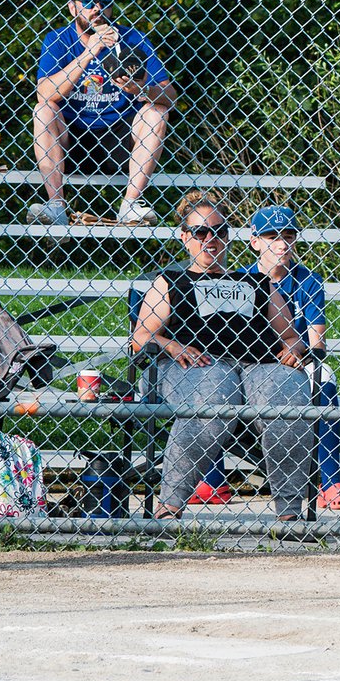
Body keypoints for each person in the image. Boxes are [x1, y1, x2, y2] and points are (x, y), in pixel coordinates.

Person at [128, 197, 313, 520]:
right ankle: (170, 506)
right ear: (184, 237)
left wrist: (292, 350)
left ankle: (290, 513)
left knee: (287, 396)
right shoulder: (171, 281)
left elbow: (290, 336)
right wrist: (172, 346)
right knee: (214, 392)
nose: (210, 239)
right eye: (200, 232)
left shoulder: (256, 283)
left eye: (219, 231)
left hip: (259, 364)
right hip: (194, 365)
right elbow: (141, 337)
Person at [186, 205, 340, 511]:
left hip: (295, 362)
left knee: (325, 377)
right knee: (215, 382)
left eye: (288, 236)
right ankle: (213, 480)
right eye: (272, 237)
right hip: (249, 364)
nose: (282, 244)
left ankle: (330, 482)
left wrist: (297, 351)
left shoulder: (308, 280)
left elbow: (316, 341)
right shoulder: (239, 280)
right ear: (255, 241)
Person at [28, 0, 174, 227]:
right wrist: (90, 51)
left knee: (158, 111)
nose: (97, 8)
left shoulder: (133, 38)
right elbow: (44, 93)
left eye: (104, 1)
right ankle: (56, 206)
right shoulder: (58, 39)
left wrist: (142, 89)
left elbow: (170, 95)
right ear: (72, 7)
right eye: (88, 1)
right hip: (71, 138)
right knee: (43, 110)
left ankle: (130, 205)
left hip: (119, 138)